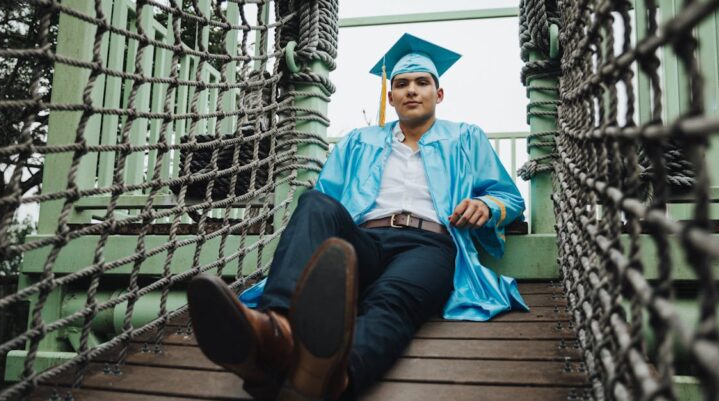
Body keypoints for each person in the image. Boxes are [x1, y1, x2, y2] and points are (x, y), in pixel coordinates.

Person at [186, 33, 529, 401]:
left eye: (421, 83)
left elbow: (510, 198)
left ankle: (335, 378)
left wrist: (488, 206)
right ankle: (276, 329)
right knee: (314, 203)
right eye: (401, 84)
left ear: (438, 94)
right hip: (363, 242)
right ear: (391, 96)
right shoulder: (358, 141)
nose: (411, 90)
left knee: (390, 300)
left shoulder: (466, 138)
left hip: (429, 245)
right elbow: (327, 203)